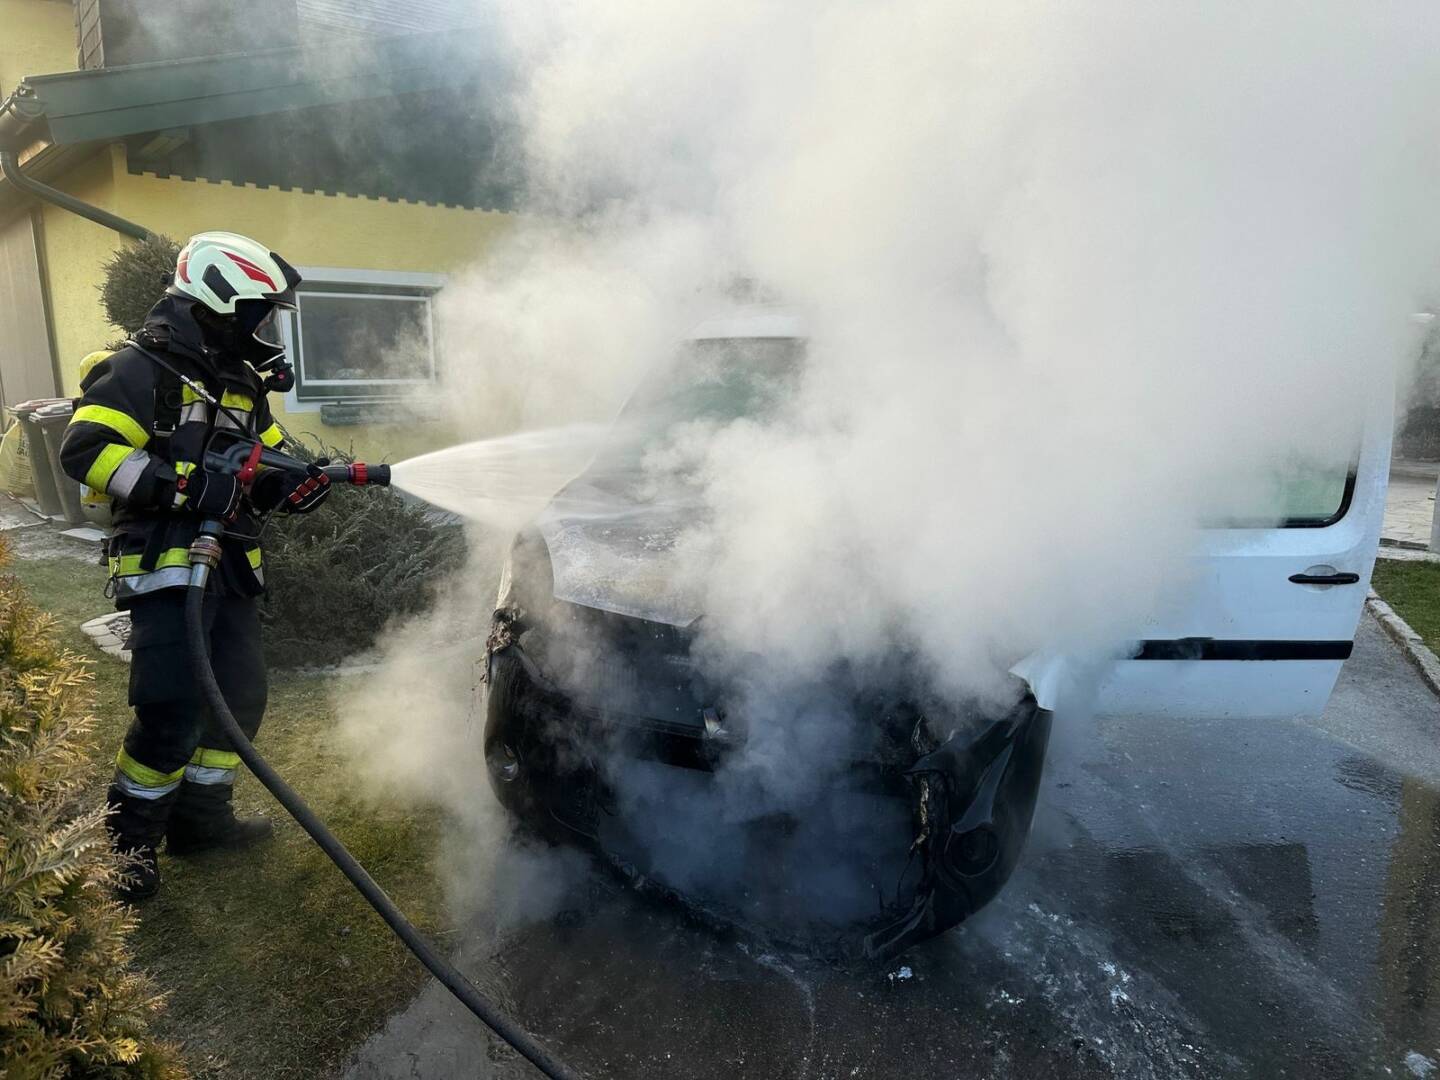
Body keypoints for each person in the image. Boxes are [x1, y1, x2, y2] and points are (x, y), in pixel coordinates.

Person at [60, 232, 329, 901]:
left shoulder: (238, 380)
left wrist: (291, 483)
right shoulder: (141, 367)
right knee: (171, 709)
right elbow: (85, 448)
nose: (267, 327)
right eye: (260, 311)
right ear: (222, 299)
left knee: (240, 697)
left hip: (230, 564)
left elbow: (264, 459)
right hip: (165, 567)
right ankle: (127, 849)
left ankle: (202, 824)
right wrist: (180, 486)